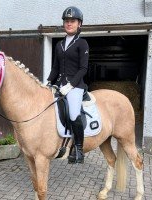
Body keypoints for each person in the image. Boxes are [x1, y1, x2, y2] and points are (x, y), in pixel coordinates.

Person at [47, 6, 89, 164]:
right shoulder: (59, 45)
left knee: (73, 113)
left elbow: (83, 69)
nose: (69, 23)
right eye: (66, 21)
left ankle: (78, 149)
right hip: (59, 84)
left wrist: (70, 85)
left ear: (79, 24)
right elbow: (56, 68)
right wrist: (48, 82)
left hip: (76, 86)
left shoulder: (82, 44)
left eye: (72, 21)